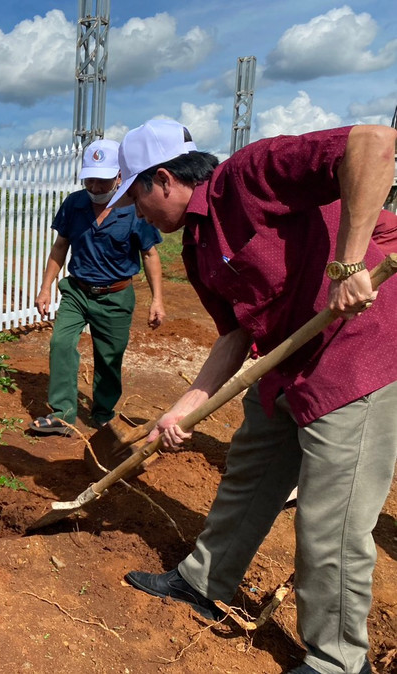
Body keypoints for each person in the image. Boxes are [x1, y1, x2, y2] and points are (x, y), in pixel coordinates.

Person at [110, 119, 397, 674]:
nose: (136, 212)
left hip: (354, 355)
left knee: (330, 517)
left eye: (136, 196)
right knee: (250, 471)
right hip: (286, 363)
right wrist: (183, 409)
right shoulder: (195, 247)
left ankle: (338, 661)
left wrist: (349, 264)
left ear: (163, 180)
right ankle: (203, 580)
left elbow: (373, 143)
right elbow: (235, 335)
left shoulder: (249, 176)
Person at [29, 138, 165, 436]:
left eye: (103, 180)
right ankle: (62, 414)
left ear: (119, 176)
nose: (96, 186)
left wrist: (157, 299)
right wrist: (45, 288)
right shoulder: (75, 204)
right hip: (77, 291)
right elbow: (60, 246)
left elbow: (150, 254)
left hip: (115, 296)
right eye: (90, 178)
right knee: (60, 344)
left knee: (109, 357)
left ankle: (103, 414)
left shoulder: (135, 208)